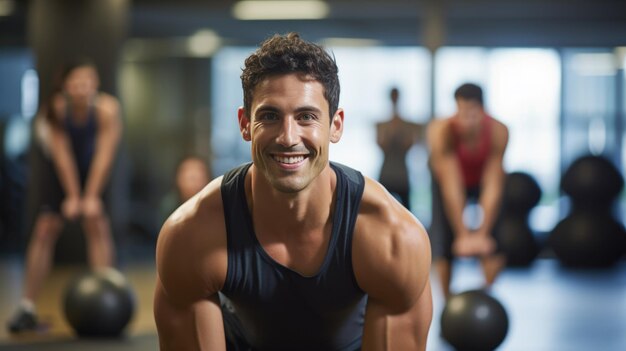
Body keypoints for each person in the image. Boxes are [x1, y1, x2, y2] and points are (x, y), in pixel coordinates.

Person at [154, 33, 432, 350]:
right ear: (245, 124)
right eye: (270, 116)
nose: (288, 137)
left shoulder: (392, 238)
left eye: (306, 117)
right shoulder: (192, 234)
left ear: (336, 125)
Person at [6, 59, 123, 333]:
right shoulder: (55, 109)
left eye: (87, 82)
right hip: (59, 171)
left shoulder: (107, 109)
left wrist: (90, 196)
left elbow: (105, 155)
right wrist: (72, 195)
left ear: (95, 84)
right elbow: (62, 157)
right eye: (75, 83)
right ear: (65, 86)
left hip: (94, 166)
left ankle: (108, 298)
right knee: (46, 228)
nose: (81, 88)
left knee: (97, 221)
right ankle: (27, 307)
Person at [426, 83, 508, 300]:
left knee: (494, 240)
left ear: (483, 111)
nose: (466, 121)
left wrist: (481, 234)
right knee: (443, 240)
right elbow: (451, 183)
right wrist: (463, 234)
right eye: (461, 113)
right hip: (447, 180)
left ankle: (486, 296)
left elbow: (493, 183)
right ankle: (447, 301)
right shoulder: (442, 131)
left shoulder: (499, 131)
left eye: (472, 114)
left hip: (481, 177)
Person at [376, 87, 424, 210]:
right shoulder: (382, 125)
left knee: (407, 210)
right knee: (381, 209)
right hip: (386, 173)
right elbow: (381, 145)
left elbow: (410, 145)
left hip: (402, 175)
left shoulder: (406, 125)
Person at [159, 155, 211, 223]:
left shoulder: (216, 205)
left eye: (199, 177)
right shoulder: (169, 207)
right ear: (178, 179)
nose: (195, 183)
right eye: (191, 178)